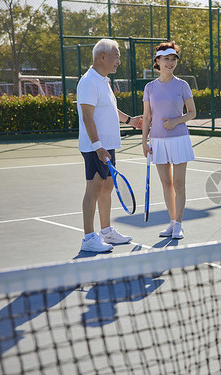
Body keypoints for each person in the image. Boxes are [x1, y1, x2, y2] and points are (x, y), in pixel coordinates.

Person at [77, 38, 141, 252]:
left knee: (107, 186)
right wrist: (97, 146)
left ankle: (106, 232)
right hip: (95, 146)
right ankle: (88, 238)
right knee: (93, 188)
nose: (119, 62)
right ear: (102, 56)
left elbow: (110, 109)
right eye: (117, 56)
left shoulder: (103, 80)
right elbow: (87, 117)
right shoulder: (88, 82)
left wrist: (130, 121)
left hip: (107, 144)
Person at [142, 41, 196, 239]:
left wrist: (175, 121)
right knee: (167, 184)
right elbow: (147, 117)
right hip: (157, 141)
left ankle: (179, 224)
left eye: (173, 59)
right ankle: (172, 222)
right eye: (166, 59)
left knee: (179, 183)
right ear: (157, 61)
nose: (170, 63)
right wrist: (144, 142)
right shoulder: (149, 87)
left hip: (179, 138)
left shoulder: (182, 85)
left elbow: (192, 112)